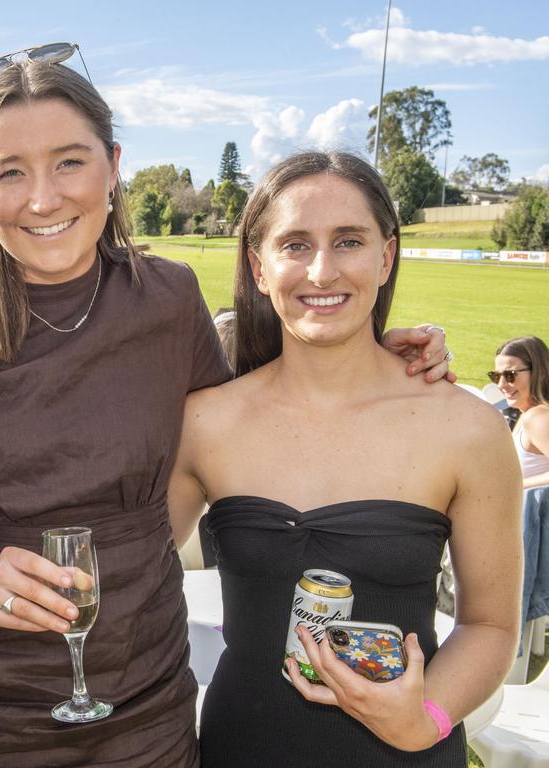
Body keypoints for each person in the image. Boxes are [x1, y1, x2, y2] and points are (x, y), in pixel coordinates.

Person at [0, 55, 453, 768]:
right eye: (10, 172)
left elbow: (256, 418)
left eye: (69, 162)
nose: (42, 198)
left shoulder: (168, 298)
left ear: (114, 165)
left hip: (152, 710)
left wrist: (377, 355)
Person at [169, 151, 522, 767]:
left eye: (349, 242)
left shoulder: (466, 428)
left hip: (407, 755)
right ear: (259, 266)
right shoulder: (205, 422)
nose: (323, 270)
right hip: (241, 748)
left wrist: (424, 718)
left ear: (386, 257)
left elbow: (490, 626)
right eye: (296, 244)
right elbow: (126, 570)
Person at [492, 336, 549, 625]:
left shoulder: (537, 418)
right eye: (496, 375)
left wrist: (519, 487)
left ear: (537, 370)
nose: (502, 384)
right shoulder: (526, 416)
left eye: (511, 374)